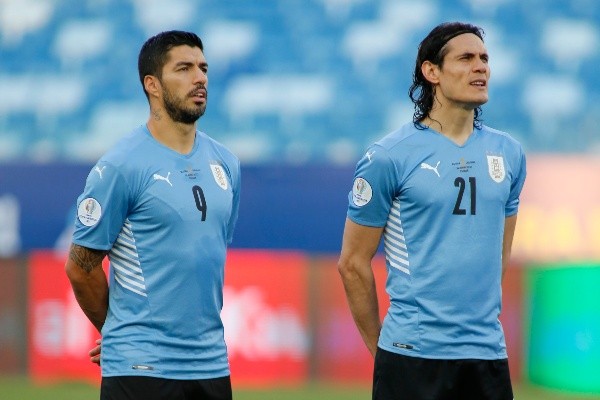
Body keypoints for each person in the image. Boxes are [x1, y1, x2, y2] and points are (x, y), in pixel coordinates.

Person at [338, 21, 526, 400]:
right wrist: (385, 352)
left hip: (487, 356)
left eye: (485, 59)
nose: (481, 67)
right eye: (467, 58)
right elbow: (352, 263)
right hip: (412, 357)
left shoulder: (509, 154)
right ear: (432, 72)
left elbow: (498, 256)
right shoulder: (389, 156)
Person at [65, 30, 241, 400]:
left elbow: (206, 256)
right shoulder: (120, 165)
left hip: (212, 366)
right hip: (142, 370)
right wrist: (116, 330)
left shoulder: (227, 163)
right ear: (153, 85)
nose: (200, 78)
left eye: (203, 68)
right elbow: (81, 266)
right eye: (184, 68)